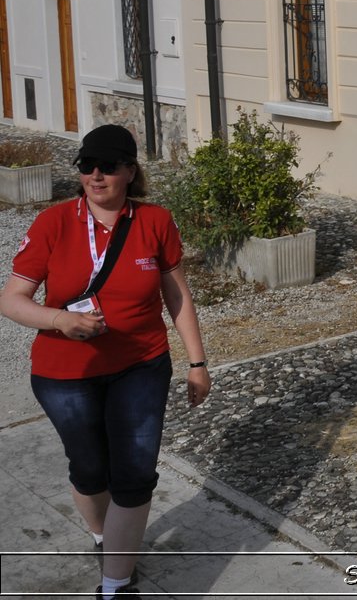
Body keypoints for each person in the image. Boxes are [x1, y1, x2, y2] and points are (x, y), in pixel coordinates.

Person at [0, 125, 210, 599]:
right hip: (64, 373)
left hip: (141, 364)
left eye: (108, 166)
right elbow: (11, 300)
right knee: (90, 469)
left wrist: (197, 362)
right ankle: (102, 535)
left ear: (130, 172)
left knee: (134, 473)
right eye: (87, 166)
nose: (96, 175)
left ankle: (116, 582)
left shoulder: (155, 221)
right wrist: (59, 319)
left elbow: (176, 294)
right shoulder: (53, 223)